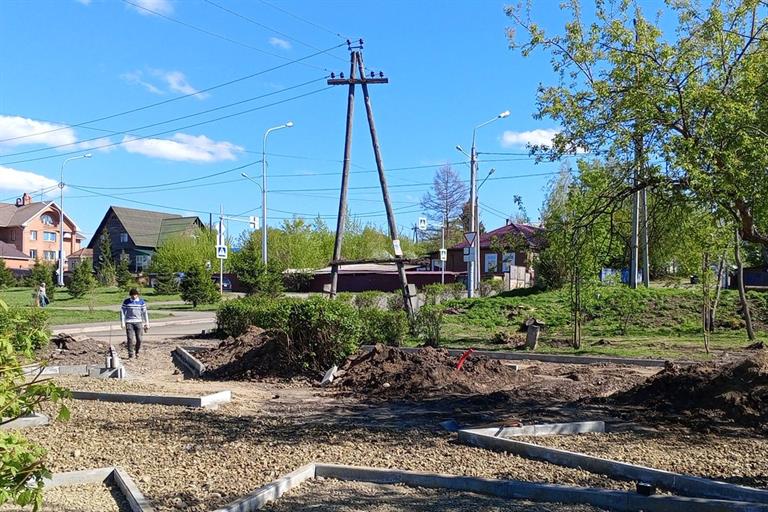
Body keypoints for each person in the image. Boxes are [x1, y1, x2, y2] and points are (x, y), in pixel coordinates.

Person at [120, 288, 149, 359]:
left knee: (139, 339)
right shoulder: (126, 302)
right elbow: (122, 312)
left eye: (135, 295)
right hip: (129, 322)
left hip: (138, 322)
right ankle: (130, 354)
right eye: (132, 295)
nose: (133, 296)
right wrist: (122, 322)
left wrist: (147, 323)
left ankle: (137, 352)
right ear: (130, 295)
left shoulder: (141, 302)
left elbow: (145, 313)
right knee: (130, 338)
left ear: (137, 295)